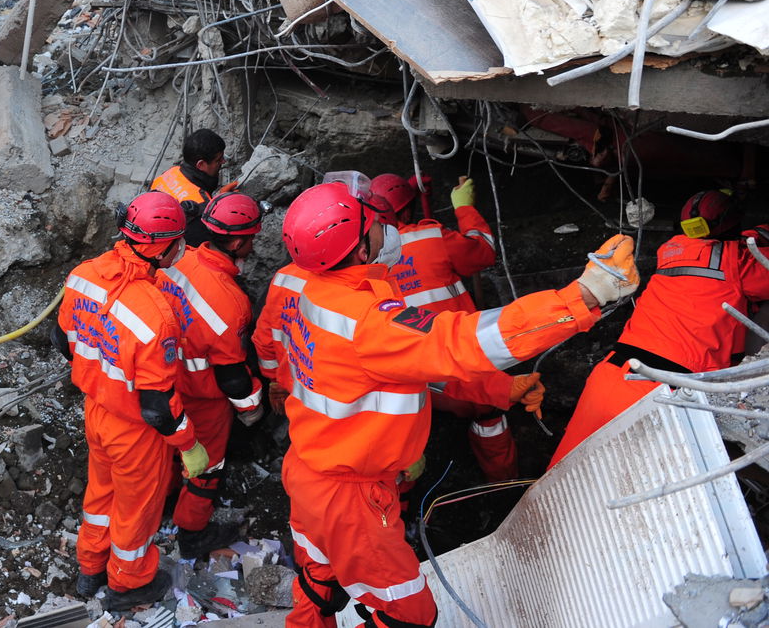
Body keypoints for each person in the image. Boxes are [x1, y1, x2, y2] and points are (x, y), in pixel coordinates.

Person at [252, 181, 637, 628]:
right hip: (350, 496)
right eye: (373, 223)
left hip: (308, 470)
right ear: (360, 250)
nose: (382, 225)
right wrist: (582, 297)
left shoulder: (305, 294)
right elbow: (464, 342)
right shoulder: (367, 323)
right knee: (410, 616)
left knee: (318, 576)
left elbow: (393, 379)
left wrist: (497, 391)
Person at [50, 191, 211, 610]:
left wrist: (101, 371)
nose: (183, 247)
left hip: (96, 411)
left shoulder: (85, 274)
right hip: (135, 430)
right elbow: (159, 407)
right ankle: (130, 581)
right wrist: (190, 445)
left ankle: (90, 567)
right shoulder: (156, 316)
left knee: (101, 493)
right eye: (179, 240)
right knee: (136, 509)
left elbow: (62, 340)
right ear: (163, 246)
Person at [550, 190, 769, 467]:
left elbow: (717, 247)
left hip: (612, 376)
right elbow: (758, 264)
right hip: (662, 393)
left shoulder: (672, 250)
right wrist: (758, 237)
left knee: (564, 474)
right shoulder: (738, 262)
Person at [370, 172, 524, 483]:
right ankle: (505, 484)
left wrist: (409, 191)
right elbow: (483, 251)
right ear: (406, 211)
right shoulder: (431, 237)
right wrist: (463, 208)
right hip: (463, 369)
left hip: (414, 384)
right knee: (488, 413)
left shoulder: (365, 263)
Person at [154, 191, 266, 558]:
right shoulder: (232, 303)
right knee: (207, 464)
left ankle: (163, 501)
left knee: (172, 448)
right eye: (251, 238)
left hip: (164, 382)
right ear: (237, 240)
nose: (252, 244)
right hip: (204, 398)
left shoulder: (179, 260)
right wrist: (253, 409)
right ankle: (191, 532)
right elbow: (232, 376)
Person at [151, 128, 226, 247]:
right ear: (201, 164)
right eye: (218, 160)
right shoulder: (200, 209)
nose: (224, 161)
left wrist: (216, 199)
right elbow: (201, 251)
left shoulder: (172, 172)